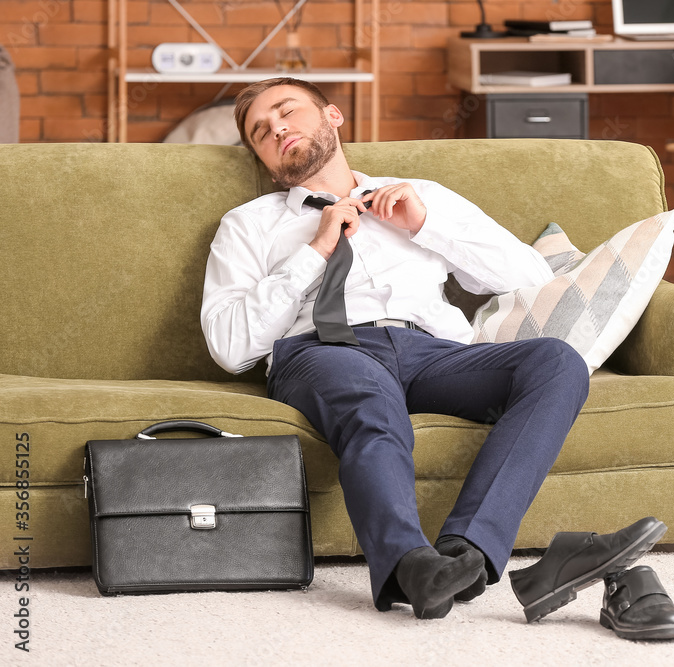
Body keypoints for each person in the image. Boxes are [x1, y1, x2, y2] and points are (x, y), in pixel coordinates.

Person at [200, 77, 591, 619]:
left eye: (287, 112)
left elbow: (527, 273)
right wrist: (316, 249)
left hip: (431, 350)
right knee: (369, 403)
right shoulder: (247, 226)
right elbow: (229, 346)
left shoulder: (419, 194)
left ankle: (466, 552)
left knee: (556, 362)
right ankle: (411, 566)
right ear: (267, 164)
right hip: (324, 349)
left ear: (332, 117)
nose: (278, 129)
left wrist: (425, 225)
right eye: (262, 132)